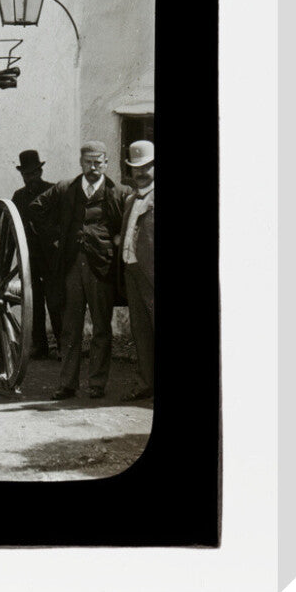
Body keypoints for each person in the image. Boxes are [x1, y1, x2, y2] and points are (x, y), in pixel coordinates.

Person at [30, 141, 124, 400]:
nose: (93, 167)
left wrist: (116, 239)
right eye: (88, 162)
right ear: (80, 163)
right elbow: (36, 208)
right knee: (70, 328)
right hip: (72, 266)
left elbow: (126, 222)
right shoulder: (65, 189)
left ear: (106, 163)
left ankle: (97, 384)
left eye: (98, 162)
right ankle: (67, 383)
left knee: (102, 327)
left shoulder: (117, 192)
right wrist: (55, 236)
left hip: (101, 267)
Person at [10, 149, 62, 360]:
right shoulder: (18, 197)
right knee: (33, 303)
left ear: (40, 171)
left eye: (33, 173)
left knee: (56, 302)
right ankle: (40, 346)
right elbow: (13, 228)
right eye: (26, 175)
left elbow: (62, 223)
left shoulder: (53, 192)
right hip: (29, 259)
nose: (30, 178)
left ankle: (62, 345)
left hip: (52, 258)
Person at [120, 140, 155, 401]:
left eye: (147, 167)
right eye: (136, 168)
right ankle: (145, 383)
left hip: (152, 274)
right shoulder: (131, 199)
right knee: (140, 331)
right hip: (132, 272)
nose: (141, 173)